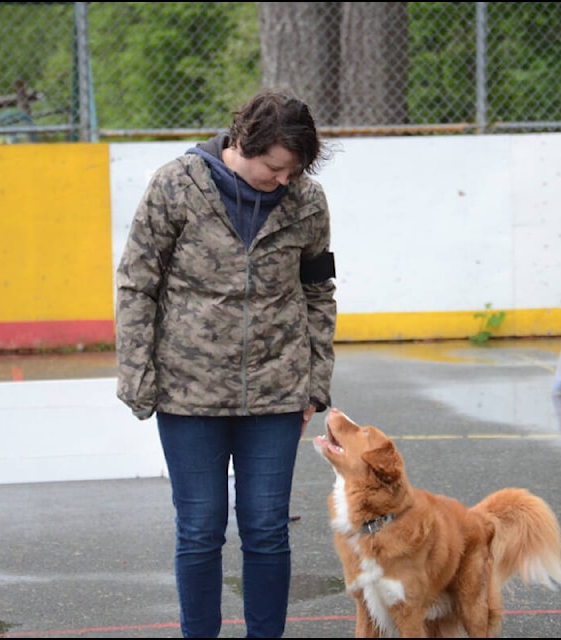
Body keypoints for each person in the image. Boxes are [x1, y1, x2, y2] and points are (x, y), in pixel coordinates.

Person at [115, 88, 337, 638]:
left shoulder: (307, 201)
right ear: (244, 141)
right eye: (275, 168)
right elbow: (137, 283)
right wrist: (138, 375)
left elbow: (319, 291)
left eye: (294, 171)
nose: (283, 181)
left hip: (277, 393)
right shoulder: (176, 185)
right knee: (199, 530)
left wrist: (316, 381)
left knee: (266, 530)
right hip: (188, 394)